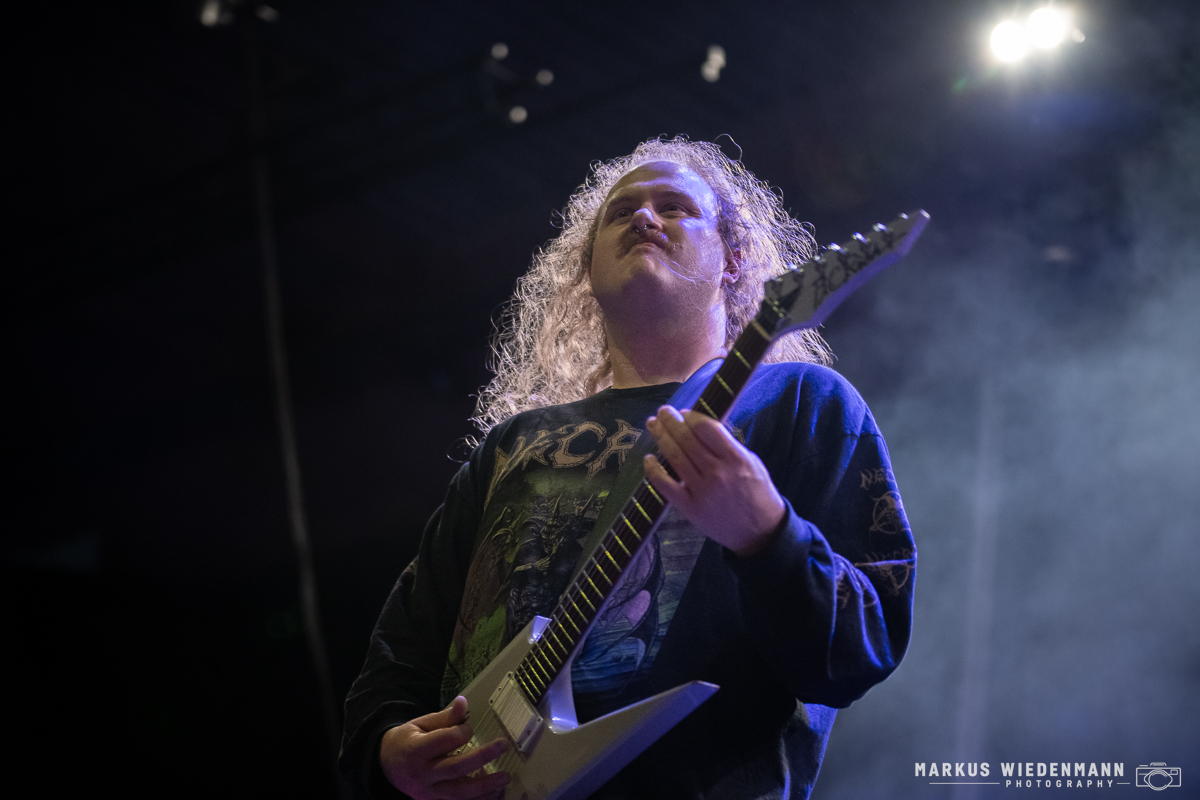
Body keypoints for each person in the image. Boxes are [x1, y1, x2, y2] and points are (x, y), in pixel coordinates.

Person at [339, 137, 916, 800]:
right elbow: (403, 648)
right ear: (586, 270)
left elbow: (861, 649)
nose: (644, 217)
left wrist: (767, 535)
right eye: (621, 212)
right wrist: (386, 750)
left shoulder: (800, 403)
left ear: (733, 260)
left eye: (674, 207)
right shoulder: (509, 448)